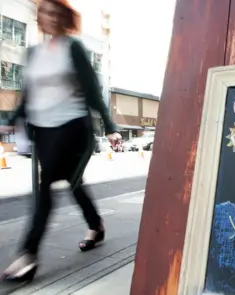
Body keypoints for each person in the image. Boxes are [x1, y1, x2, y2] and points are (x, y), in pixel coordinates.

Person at [0, 0, 121, 282]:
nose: (50, 17)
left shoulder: (73, 48)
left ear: (65, 18)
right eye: (45, 12)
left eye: (56, 13)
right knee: (72, 181)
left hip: (73, 126)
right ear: (39, 17)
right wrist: (11, 121)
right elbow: (28, 93)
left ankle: (28, 254)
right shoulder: (34, 53)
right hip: (43, 130)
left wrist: (111, 126)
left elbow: (92, 89)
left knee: (46, 186)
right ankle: (96, 225)